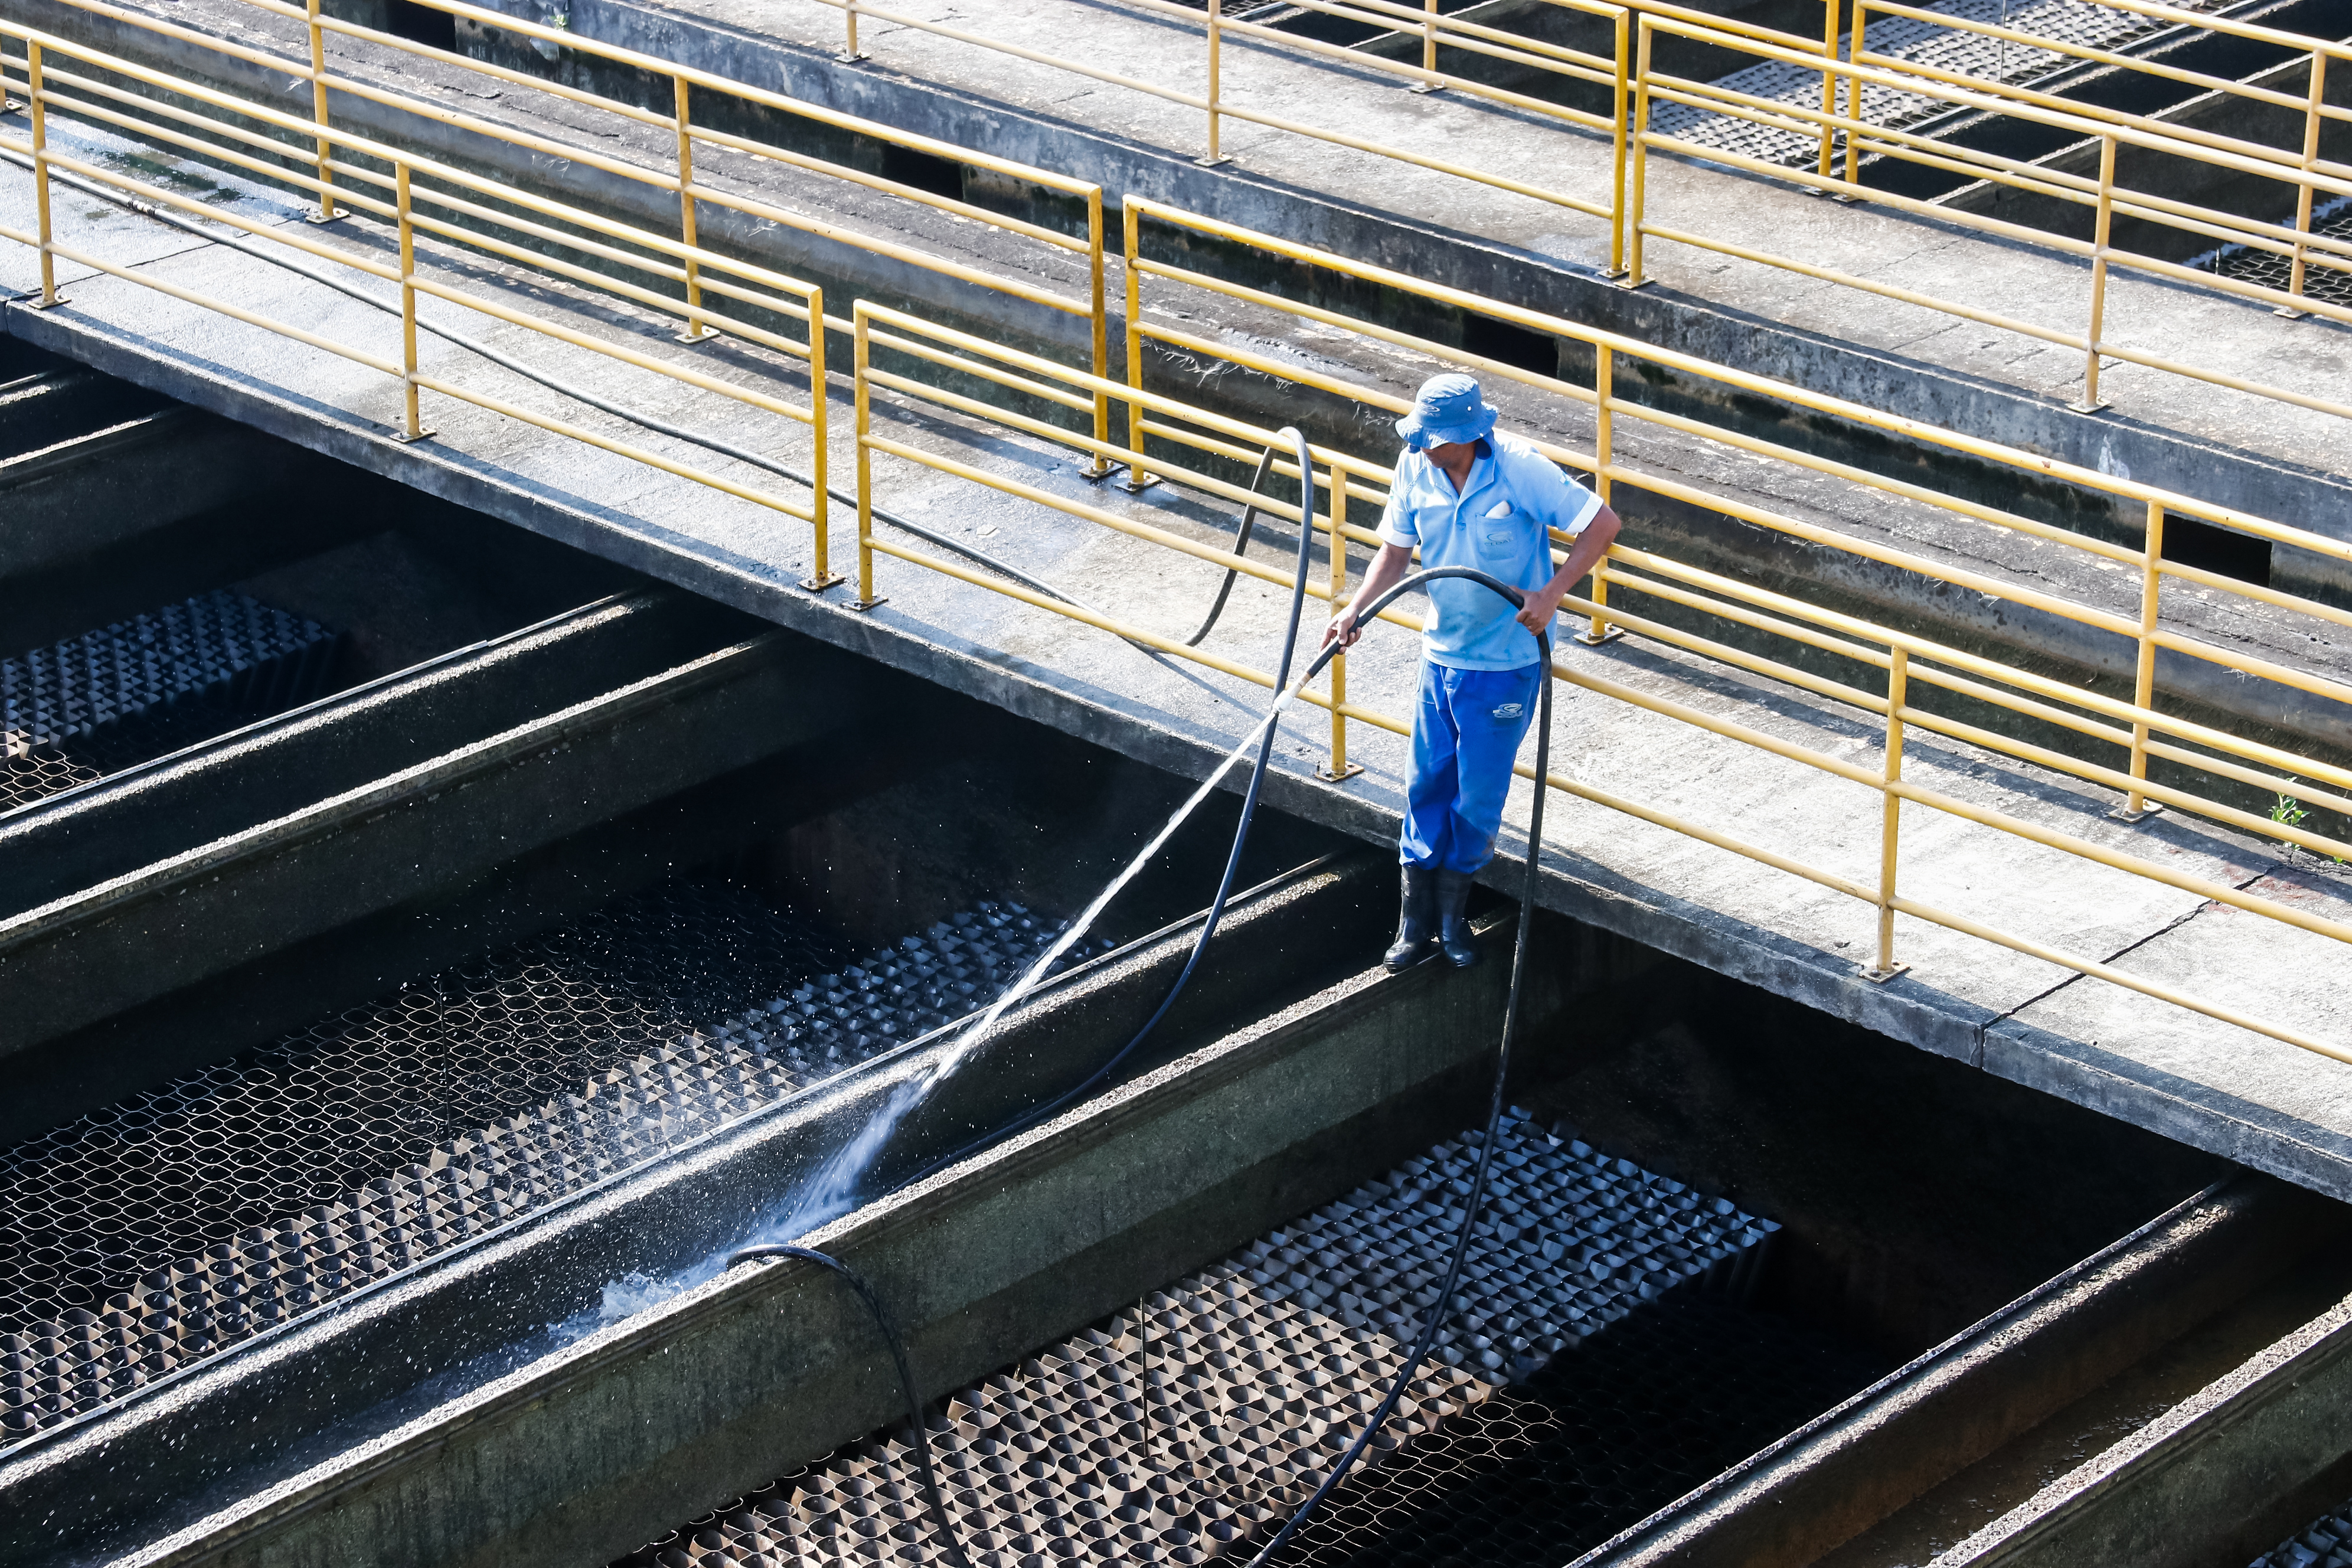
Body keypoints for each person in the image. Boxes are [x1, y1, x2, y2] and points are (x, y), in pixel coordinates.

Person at [1321, 372, 1621, 971]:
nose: (1423, 448)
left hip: (1506, 664)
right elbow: (1395, 553)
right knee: (1425, 784)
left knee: (1477, 796)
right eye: (1420, 437)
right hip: (1442, 656)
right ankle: (1412, 923)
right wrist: (1356, 608)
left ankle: (1453, 919)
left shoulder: (1520, 469)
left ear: (1467, 434)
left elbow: (1603, 525)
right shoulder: (1414, 466)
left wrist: (1552, 593)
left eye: (1434, 439)